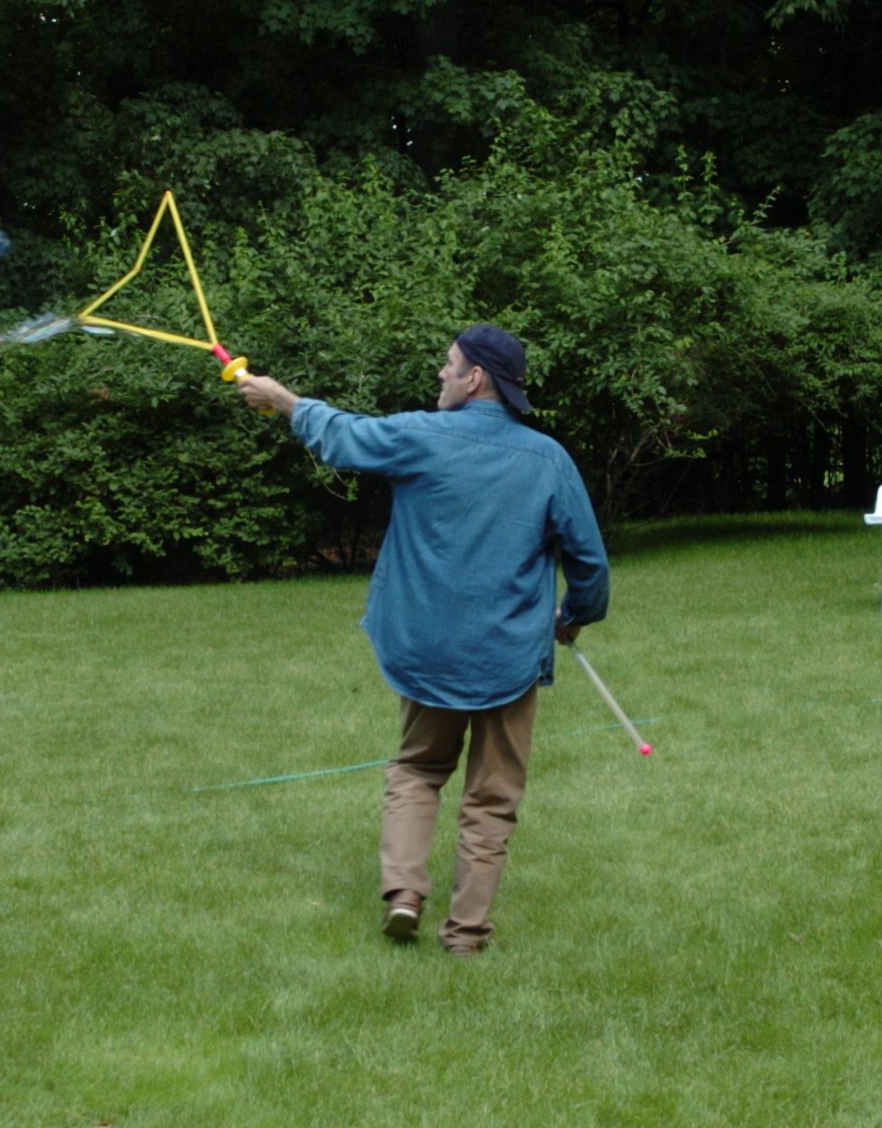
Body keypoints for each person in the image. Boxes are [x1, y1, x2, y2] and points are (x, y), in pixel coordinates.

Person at [238, 325, 610, 954]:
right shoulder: (549, 460)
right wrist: (574, 615)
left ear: (475, 378)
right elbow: (590, 566)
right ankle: (465, 935)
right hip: (507, 658)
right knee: (492, 799)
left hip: (431, 652)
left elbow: (343, 434)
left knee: (417, 768)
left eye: (449, 363)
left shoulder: (421, 436)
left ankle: (404, 894)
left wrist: (284, 401)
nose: (441, 373)